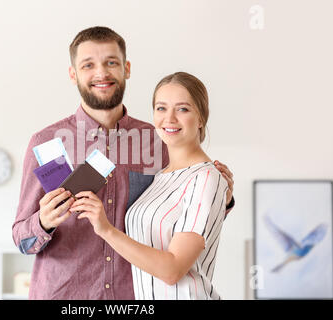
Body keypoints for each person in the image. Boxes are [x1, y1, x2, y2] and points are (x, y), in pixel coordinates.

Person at [12, 26, 235, 300]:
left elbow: (182, 213)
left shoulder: (158, 141)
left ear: (126, 69)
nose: (101, 73)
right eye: (88, 65)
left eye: (111, 63)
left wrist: (222, 200)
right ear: (73, 74)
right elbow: (22, 240)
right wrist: (43, 222)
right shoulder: (45, 143)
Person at [70, 72, 228, 300]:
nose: (169, 119)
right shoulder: (160, 176)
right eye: (161, 108)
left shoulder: (205, 177)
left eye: (183, 109)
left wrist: (105, 229)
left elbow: (172, 270)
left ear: (201, 117)